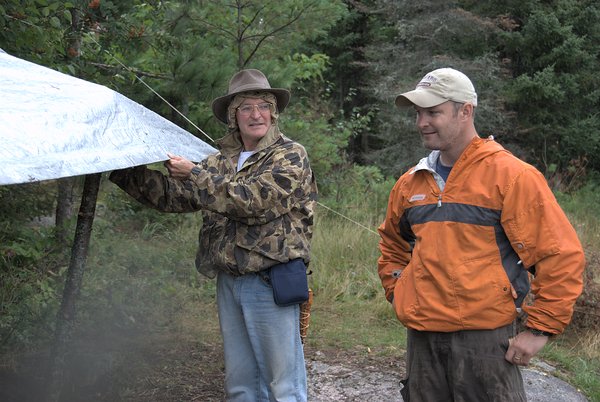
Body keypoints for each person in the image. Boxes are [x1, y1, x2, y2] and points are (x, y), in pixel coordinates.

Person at [377, 67, 585, 401]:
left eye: (433, 112)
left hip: (486, 342)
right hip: (422, 338)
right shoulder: (411, 182)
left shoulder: (512, 176)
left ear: (465, 111)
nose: (422, 122)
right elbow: (392, 245)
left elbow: (559, 255)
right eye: (418, 113)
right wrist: (400, 290)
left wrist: (540, 329)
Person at [109, 68, 317, 401]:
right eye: (245, 107)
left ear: (273, 112)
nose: (255, 114)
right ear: (234, 116)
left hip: (270, 282)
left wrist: (195, 174)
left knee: (283, 386)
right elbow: (174, 196)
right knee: (241, 386)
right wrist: (122, 165)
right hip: (229, 282)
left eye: (263, 105)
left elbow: (253, 201)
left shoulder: (290, 155)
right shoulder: (219, 162)